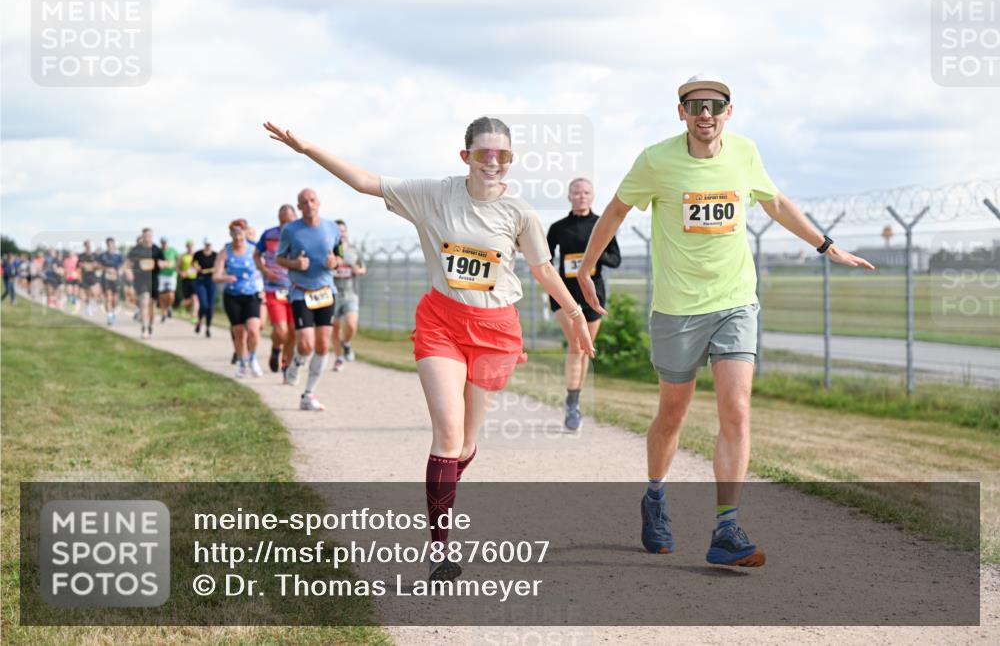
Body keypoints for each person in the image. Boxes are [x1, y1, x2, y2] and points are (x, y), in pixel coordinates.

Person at [265, 115, 594, 581]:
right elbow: (365, 182)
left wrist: (576, 315)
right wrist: (307, 149)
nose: (493, 161)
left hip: (496, 331)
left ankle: (442, 490)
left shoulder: (520, 213)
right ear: (466, 156)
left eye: (502, 154)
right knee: (447, 433)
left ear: (511, 158)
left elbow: (543, 270)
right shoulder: (434, 195)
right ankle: (440, 549)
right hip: (442, 323)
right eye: (483, 153)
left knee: (465, 445)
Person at [575, 73, 875, 567]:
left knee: (736, 408)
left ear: (728, 112)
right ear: (681, 113)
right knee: (673, 414)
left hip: (735, 301)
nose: (705, 114)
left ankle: (726, 527)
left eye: (715, 106)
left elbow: (775, 202)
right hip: (677, 309)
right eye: (695, 106)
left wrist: (826, 246)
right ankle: (655, 496)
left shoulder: (745, 153)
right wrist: (586, 269)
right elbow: (615, 210)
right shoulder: (655, 160)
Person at [546, 177, 621, 430]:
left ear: (592, 196)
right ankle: (572, 404)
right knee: (577, 345)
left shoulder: (602, 225)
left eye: (586, 192)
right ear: (570, 196)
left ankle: (574, 401)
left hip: (593, 295)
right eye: (577, 192)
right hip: (564, 295)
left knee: (586, 348)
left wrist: (593, 258)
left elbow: (615, 259)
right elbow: (545, 261)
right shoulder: (558, 228)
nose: (581, 196)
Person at [273, 189, 341, 411]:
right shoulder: (290, 230)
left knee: (322, 345)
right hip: (301, 292)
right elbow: (279, 258)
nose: (309, 204)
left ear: (318, 202)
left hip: (326, 291)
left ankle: (308, 394)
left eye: (312, 200)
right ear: (299, 207)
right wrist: (294, 264)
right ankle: (295, 363)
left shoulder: (331, 228)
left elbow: (339, 255)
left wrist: (334, 262)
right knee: (305, 345)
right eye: (304, 202)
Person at [214, 219, 264, 378]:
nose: (237, 236)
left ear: (245, 233)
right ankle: (242, 362)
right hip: (232, 296)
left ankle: (253, 358)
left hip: (251, 294)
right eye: (234, 233)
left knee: (254, 329)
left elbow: (263, 270)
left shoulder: (253, 250)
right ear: (230, 234)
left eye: (240, 233)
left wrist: (265, 289)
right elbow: (216, 276)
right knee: (239, 332)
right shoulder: (225, 252)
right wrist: (225, 278)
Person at [256, 204, 298, 374]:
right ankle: (276, 348)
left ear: (295, 219)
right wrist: (265, 271)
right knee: (281, 330)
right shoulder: (269, 234)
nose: (286, 224)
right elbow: (256, 255)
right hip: (274, 288)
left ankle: (286, 364)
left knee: (293, 330)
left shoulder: (302, 235)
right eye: (283, 221)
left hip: (296, 289)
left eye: (289, 221)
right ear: (278, 219)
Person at [331, 219, 367, 371]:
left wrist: (359, 271)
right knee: (334, 328)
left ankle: (346, 343)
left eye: (343, 231)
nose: (341, 233)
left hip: (350, 293)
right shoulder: (329, 250)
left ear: (347, 232)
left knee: (351, 325)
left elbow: (363, 268)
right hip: (332, 294)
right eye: (338, 231)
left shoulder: (353, 250)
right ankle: (339, 358)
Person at [127, 228, 164, 339]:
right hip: (141, 280)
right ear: (142, 236)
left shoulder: (156, 250)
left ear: (152, 236)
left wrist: (163, 264)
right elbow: (128, 263)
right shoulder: (136, 250)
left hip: (154, 280)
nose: (147, 237)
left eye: (149, 235)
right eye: (145, 235)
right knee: (144, 301)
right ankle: (144, 328)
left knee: (152, 305)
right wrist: (129, 272)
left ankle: (150, 324)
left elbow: (164, 262)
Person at [193, 238, 217, 338]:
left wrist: (214, 269)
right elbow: (193, 263)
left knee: (210, 306)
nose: (208, 246)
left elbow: (221, 266)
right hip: (200, 281)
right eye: (206, 245)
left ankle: (208, 327)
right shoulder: (198, 254)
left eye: (209, 245)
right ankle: (199, 321)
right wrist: (196, 267)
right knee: (203, 305)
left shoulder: (215, 255)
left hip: (211, 281)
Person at [99, 238, 125, 324]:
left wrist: (119, 271)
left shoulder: (118, 255)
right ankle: (109, 316)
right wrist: (106, 269)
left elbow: (123, 266)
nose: (110, 246)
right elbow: (97, 265)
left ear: (114, 245)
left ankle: (113, 311)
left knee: (115, 299)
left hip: (116, 278)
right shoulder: (102, 255)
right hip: (106, 278)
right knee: (108, 297)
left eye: (111, 244)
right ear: (106, 245)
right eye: (108, 244)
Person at [157, 237, 179, 323]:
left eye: (165, 242)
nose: (164, 244)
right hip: (161, 275)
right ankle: (163, 313)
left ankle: (169, 306)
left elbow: (178, 260)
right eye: (162, 242)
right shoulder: (158, 251)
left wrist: (176, 266)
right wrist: (164, 264)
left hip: (171, 275)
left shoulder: (173, 250)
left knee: (170, 294)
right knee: (162, 295)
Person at [178, 239, 199, 320]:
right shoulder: (182, 256)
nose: (190, 248)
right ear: (186, 247)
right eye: (188, 246)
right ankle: (182, 305)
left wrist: (196, 269)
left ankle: (194, 316)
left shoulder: (197, 255)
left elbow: (199, 267)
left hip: (195, 279)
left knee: (195, 298)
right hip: (186, 279)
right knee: (187, 299)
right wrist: (181, 273)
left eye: (191, 246)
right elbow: (177, 268)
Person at [78, 240, 101, 316]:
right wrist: (89, 265)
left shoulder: (94, 255)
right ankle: (89, 307)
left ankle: (93, 303)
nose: (88, 246)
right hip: (85, 276)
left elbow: (97, 265)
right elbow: (80, 265)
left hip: (93, 276)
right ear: (84, 246)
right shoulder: (81, 255)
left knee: (94, 293)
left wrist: (91, 265)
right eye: (87, 245)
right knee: (87, 294)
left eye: (89, 245)